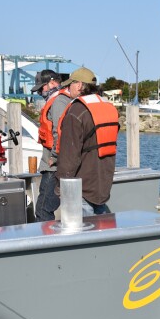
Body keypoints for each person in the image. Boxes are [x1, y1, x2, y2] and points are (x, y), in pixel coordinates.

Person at [55, 68, 119, 216]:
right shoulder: (108, 108)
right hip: (103, 185)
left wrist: (61, 187)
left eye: (70, 84)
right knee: (99, 233)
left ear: (78, 85)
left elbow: (69, 155)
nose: (67, 88)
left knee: (82, 234)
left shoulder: (77, 111)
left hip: (80, 189)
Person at [33, 69, 71, 221]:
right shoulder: (62, 99)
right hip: (56, 164)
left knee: (43, 209)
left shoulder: (58, 102)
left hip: (53, 166)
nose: (40, 92)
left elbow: (59, 131)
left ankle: (42, 242)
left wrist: (55, 156)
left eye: (42, 87)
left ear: (52, 83)